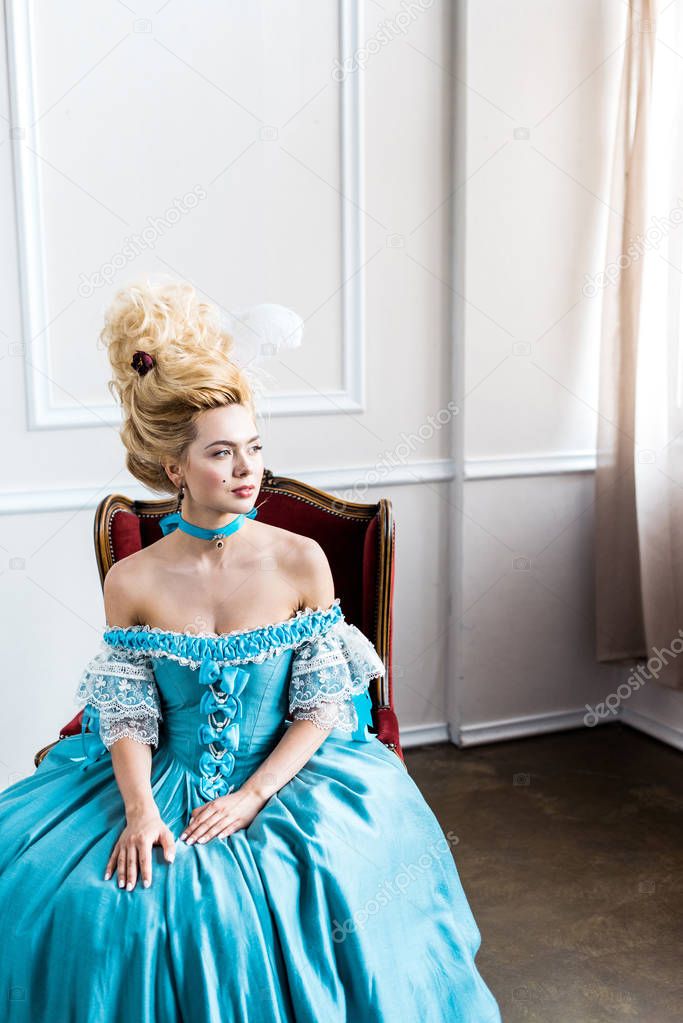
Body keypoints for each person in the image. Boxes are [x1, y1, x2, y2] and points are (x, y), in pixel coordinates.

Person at [0, 279, 502, 1022]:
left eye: (255, 449)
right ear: (174, 468)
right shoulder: (133, 578)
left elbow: (324, 706)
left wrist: (251, 794)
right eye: (222, 454)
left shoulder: (299, 560)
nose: (247, 471)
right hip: (162, 776)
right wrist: (140, 812)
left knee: (293, 896)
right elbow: (130, 715)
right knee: (89, 904)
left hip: (290, 773)